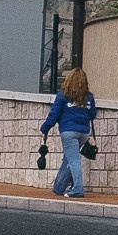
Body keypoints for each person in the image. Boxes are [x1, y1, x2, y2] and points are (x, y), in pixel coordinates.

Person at [39, 68, 94, 199]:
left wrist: (45, 128)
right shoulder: (89, 97)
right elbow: (92, 115)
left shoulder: (63, 95)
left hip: (68, 131)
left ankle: (77, 189)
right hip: (84, 133)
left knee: (73, 160)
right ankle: (59, 187)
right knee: (68, 159)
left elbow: (54, 115)